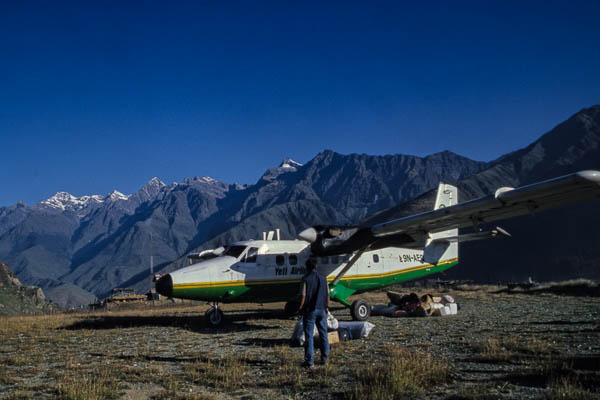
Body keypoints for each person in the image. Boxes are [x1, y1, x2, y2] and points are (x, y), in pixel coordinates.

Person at [297, 258, 330, 368]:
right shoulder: (323, 278)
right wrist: (327, 306)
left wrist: (300, 308)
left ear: (307, 267)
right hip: (322, 309)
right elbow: (328, 295)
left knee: (309, 336)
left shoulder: (305, 279)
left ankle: (309, 361)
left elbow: (303, 296)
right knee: (323, 333)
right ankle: (325, 358)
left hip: (310, 310)